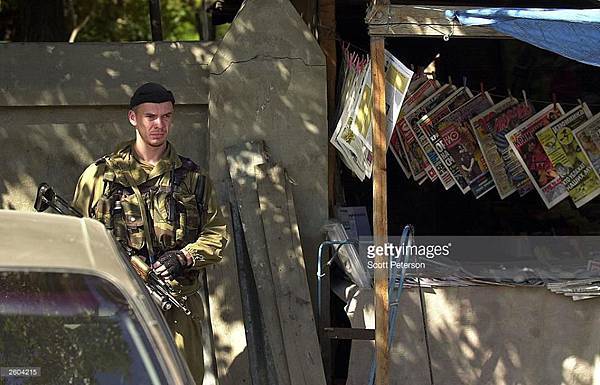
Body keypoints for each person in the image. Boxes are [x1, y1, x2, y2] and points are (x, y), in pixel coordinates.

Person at [72, 82, 228, 385]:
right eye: (150, 117)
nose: (159, 125)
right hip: (115, 305)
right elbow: (74, 236)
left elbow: (217, 234)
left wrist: (185, 256)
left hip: (175, 305)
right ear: (133, 118)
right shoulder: (100, 176)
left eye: (166, 116)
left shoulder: (193, 179)